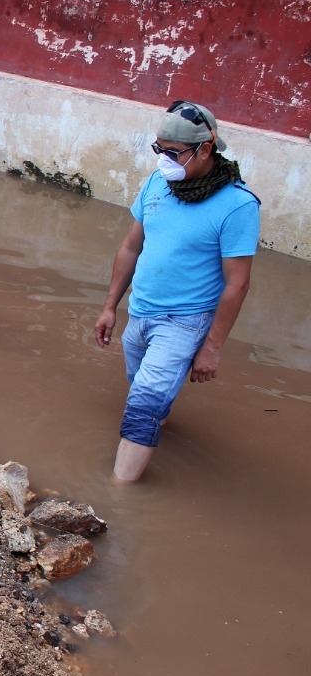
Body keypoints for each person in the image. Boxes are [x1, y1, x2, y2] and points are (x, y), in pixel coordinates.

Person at [94, 100, 260, 482]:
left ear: (206, 149)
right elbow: (131, 246)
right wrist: (109, 308)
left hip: (184, 323)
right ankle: (155, 425)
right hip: (142, 312)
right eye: (159, 149)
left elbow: (238, 282)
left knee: (142, 404)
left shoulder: (237, 205)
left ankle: (117, 497)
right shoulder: (158, 183)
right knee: (146, 395)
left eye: (172, 152)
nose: (163, 159)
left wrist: (212, 348)